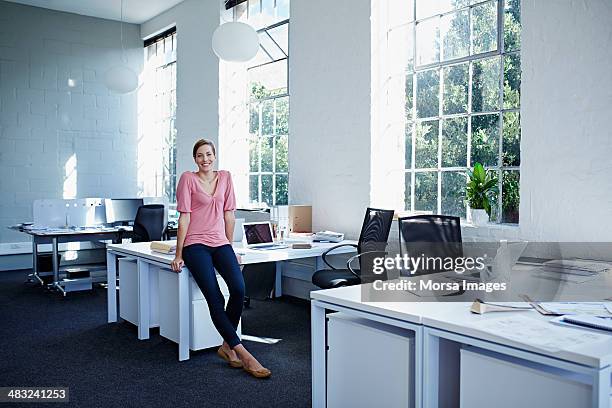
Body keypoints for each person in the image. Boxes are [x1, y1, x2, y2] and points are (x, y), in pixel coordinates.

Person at [170, 138, 271, 379]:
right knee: (215, 297)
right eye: (199, 156)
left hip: (220, 242)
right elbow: (184, 219)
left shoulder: (225, 177)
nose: (204, 159)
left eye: (208, 154)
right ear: (195, 159)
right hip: (195, 245)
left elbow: (229, 215)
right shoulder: (188, 179)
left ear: (214, 156)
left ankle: (226, 347)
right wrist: (178, 253)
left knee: (238, 288)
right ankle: (244, 353)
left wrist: (228, 245)